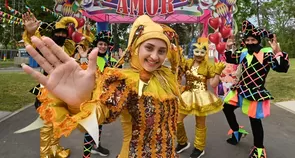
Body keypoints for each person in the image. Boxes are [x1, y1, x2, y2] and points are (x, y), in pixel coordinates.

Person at [21, 15, 185, 158]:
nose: (155, 56)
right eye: (149, 48)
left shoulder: (166, 77)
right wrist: (79, 103)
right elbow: (102, 113)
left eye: (161, 51)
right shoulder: (125, 81)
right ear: (135, 49)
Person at [222, 20, 290, 158]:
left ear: (258, 40)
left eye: (253, 39)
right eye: (248, 40)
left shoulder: (267, 53)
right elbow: (231, 58)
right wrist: (228, 47)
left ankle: (259, 149)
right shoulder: (244, 52)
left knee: (254, 120)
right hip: (240, 89)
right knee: (227, 108)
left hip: (255, 91)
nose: (250, 42)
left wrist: (277, 51)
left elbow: (281, 68)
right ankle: (236, 132)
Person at [22, 12, 84, 158]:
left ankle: (56, 149)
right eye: (58, 33)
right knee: (46, 123)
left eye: (64, 33)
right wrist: (31, 32)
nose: (61, 35)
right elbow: (33, 44)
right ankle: (45, 154)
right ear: (53, 34)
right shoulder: (46, 47)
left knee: (59, 121)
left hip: (63, 91)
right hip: (47, 90)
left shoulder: (68, 48)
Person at [175, 37, 225, 158]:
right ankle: (182, 142)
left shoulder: (208, 66)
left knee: (200, 123)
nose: (198, 54)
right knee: (176, 120)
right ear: (193, 51)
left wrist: (218, 72)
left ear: (205, 53)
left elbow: (213, 84)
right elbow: (178, 73)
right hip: (188, 95)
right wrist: (177, 59)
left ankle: (199, 147)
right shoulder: (188, 63)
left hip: (202, 96)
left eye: (202, 52)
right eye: (196, 51)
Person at [77, 30, 117, 157]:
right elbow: (81, 72)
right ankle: (86, 155)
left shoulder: (112, 59)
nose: (103, 46)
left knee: (99, 123)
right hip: (90, 97)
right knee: (91, 125)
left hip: (103, 97)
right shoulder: (90, 58)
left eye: (105, 44)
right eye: (100, 44)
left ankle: (96, 146)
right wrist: (83, 58)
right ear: (96, 45)